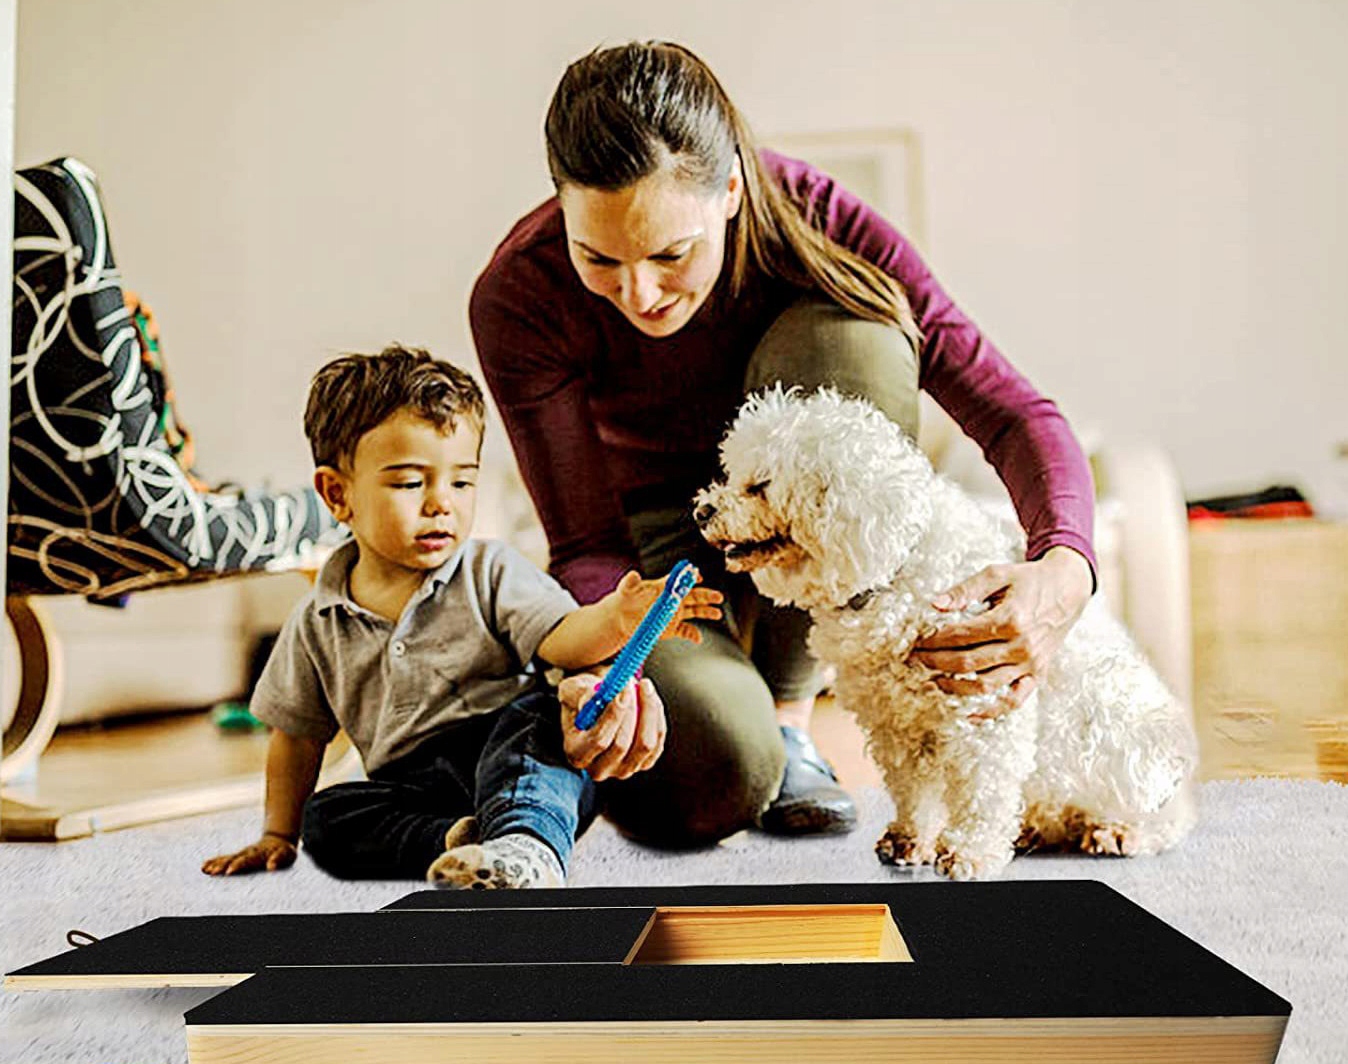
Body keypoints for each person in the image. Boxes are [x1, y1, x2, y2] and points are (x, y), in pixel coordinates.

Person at [471, 41, 1097, 849]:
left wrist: (1065, 567)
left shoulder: (817, 218)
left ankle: (793, 718)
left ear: (731, 190)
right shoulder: (518, 294)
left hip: (796, 510)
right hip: (657, 560)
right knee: (708, 778)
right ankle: (751, 740)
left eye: (671, 254)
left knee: (858, 336)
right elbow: (587, 544)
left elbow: (1010, 412)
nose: (640, 293)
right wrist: (605, 666)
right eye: (598, 258)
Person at [201, 345, 720, 886]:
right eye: (410, 483)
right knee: (325, 819)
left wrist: (617, 618)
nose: (441, 503)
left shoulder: (489, 570)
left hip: (519, 753)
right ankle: (459, 844)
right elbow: (297, 736)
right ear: (337, 494)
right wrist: (277, 833)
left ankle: (528, 844)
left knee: (537, 719)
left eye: (461, 481)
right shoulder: (316, 621)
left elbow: (564, 637)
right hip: (414, 785)